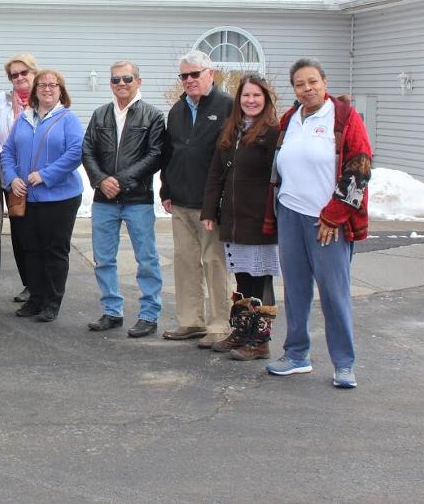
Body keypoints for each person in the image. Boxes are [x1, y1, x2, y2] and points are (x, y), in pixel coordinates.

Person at [262, 59, 371, 389]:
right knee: (295, 292)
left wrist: (333, 216)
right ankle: (296, 355)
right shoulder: (289, 119)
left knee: (334, 294)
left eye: (312, 81)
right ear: (293, 89)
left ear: (325, 82)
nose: (306, 88)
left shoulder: (344, 118)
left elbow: (359, 169)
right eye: (299, 84)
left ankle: (344, 363)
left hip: (327, 222)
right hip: (290, 215)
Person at [82, 61, 167, 338]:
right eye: (116, 79)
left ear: (138, 81)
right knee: (104, 259)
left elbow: (155, 155)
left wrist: (120, 181)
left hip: (138, 199)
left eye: (127, 79)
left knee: (146, 259)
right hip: (104, 200)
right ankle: (111, 310)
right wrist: (100, 180)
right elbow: (87, 152)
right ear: (110, 83)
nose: (121, 83)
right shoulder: (100, 115)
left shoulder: (152, 116)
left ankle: (149, 315)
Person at [200, 73, 281, 360]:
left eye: (257, 95)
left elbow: (280, 176)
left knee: (261, 278)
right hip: (234, 217)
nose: (251, 100)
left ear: (266, 99)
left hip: (260, 218)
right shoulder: (231, 129)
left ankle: (260, 340)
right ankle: (242, 330)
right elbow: (215, 173)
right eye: (246, 95)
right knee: (243, 278)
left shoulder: (272, 131)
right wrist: (210, 210)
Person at [160, 51, 234, 348]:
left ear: (210, 74)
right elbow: (170, 153)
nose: (189, 80)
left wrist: (220, 201)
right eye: (184, 76)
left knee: (214, 262)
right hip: (180, 201)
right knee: (186, 262)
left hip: (210, 205)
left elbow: (229, 157)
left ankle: (219, 324)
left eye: (195, 74)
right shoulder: (177, 110)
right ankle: (191, 321)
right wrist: (166, 190)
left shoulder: (227, 106)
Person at [0, 69, 84, 322]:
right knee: (31, 250)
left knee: (54, 251)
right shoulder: (23, 119)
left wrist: (46, 175)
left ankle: (51, 302)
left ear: (61, 90)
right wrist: (13, 177)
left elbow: (76, 152)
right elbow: (8, 152)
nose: (48, 89)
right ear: (35, 90)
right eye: (43, 85)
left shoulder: (68, 119)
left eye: (53, 85)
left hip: (60, 198)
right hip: (27, 197)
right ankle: (35, 299)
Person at [0, 52, 38, 304]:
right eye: (13, 75)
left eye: (23, 73)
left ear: (34, 73)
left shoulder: (45, 101)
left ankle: (44, 287)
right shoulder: (1, 102)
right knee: (20, 233)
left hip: (40, 179)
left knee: (42, 234)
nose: (18, 78)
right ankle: (29, 285)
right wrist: (2, 154)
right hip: (10, 177)